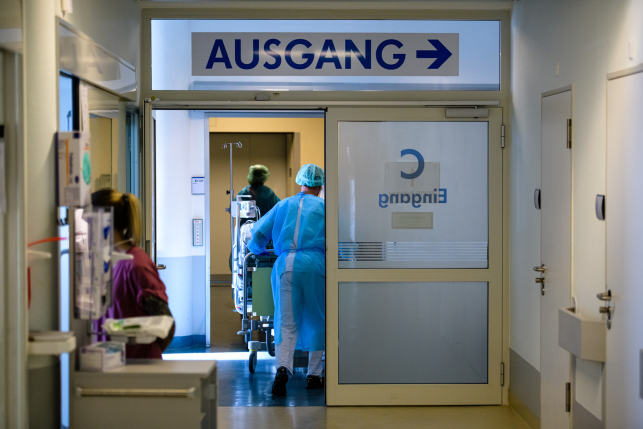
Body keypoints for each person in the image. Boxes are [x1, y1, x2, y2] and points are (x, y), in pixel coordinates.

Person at [247, 164, 325, 396]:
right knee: (316, 318)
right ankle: (314, 375)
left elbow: (258, 235)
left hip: (286, 265)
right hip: (316, 266)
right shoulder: (326, 208)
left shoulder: (283, 205)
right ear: (320, 186)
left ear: (300, 182)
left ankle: (283, 368)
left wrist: (257, 250)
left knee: (285, 320)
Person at [92, 189, 175, 359]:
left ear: (104, 221)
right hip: (111, 361)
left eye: (89, 220)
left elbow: (165, 323)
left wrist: (143, 353)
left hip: (137, 366)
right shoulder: (110, 262)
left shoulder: (136, 265)